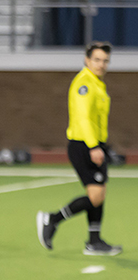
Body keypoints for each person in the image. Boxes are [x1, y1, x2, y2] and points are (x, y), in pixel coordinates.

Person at [37, 42, 121, 256]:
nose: (102, 64)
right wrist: (93, 146)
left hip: (95, 144)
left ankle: (94, 242)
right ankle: (52, 219)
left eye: (105, 61)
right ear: (87, 60)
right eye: (97, 60)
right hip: (83, 145)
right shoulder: (84, 83)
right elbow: (83, 118)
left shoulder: (97, 83)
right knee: (95, 195)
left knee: (99, 193)